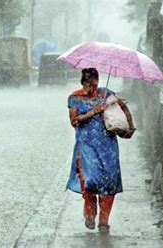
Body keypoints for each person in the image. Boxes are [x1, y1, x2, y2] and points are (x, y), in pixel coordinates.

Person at [67, 68, 135, 233]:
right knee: (90, 182)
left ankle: (104, 221)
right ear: (83, 82)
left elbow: (122, 107)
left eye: (95, 83)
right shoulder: (75, 98)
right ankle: (90, 215)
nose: (92, 87)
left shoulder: (105, 94)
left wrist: (129, 125)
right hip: (86, 147)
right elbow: (74, 120)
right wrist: (93, 112)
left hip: (108, 146)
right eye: (88, 84)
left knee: (109, 183)